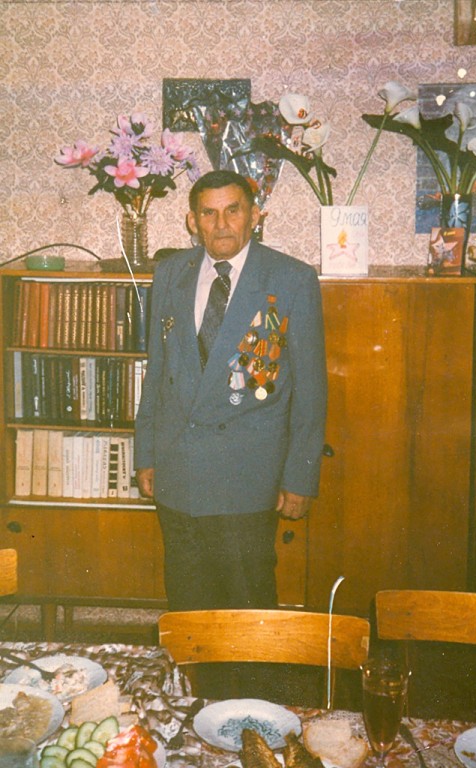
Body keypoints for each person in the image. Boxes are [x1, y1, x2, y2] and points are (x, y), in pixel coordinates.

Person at [135, 169, 327, 611]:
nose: (221, 224)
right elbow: (156, 372)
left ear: (254, 216)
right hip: (179, 470)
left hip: (247, 476)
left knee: (247, 603)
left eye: (233, 210)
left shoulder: (291, 279)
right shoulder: (170, 274)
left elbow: (311, 391)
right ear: (192, 221)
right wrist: (146, 453)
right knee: (188, 604)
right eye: (208, 213)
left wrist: (300, 477)